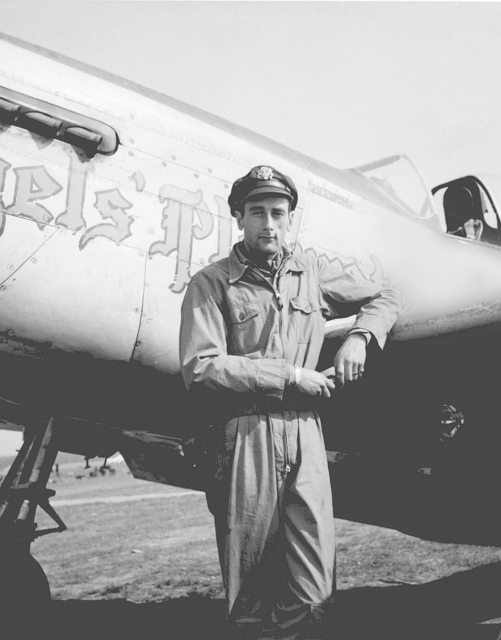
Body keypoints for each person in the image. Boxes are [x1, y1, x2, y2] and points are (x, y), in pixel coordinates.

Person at [180, 165, 399, 639]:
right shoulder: (211, 284)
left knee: (316, 587)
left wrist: (360, 337)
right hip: (245, 435)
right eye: (257, 212)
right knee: (251, 590)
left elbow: (387, 291)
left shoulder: (313, 272)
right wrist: (289, 376)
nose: (269, 223)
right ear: (239, 217)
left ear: (291, 218)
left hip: (306, 434)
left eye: (279, 213)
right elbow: (201, 367)